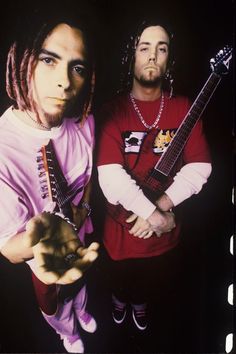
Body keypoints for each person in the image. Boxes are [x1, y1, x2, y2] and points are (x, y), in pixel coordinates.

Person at [97, 20, 212, 331]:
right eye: (144, 48)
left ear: (168, 59)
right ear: (131, 55)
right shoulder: (111, 110)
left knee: (151, 280)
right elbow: (110, 177)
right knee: (119, 280)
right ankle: (119, 300)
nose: (152, 56)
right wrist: (152, 214)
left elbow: (201, 166)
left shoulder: (184, 108)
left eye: (161, 49)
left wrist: (160, 210)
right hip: (121, 231)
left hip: (162, 232)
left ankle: (140, 303)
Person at [0, 9, 99, 353]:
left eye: (78, 67)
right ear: (23, 58)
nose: (65, 82)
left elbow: (88, 177)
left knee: (81, 284)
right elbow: (8, 249)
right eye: (48, 60)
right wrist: (39, 241)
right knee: (56, 306)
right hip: (45, 264)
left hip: (83, 236)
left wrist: (84, 211)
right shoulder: (2, 151)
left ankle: (83, 311)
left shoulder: (84, 123)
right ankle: (67, 333)